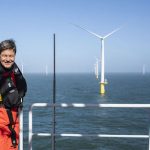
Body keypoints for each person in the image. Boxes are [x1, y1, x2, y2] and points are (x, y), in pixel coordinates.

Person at [0, 39, 27, 150]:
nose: (8, 59)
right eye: (4, 55)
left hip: (14, 120)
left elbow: (23, 88)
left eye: (11, 56)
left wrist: (18, 99)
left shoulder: (15, 70)